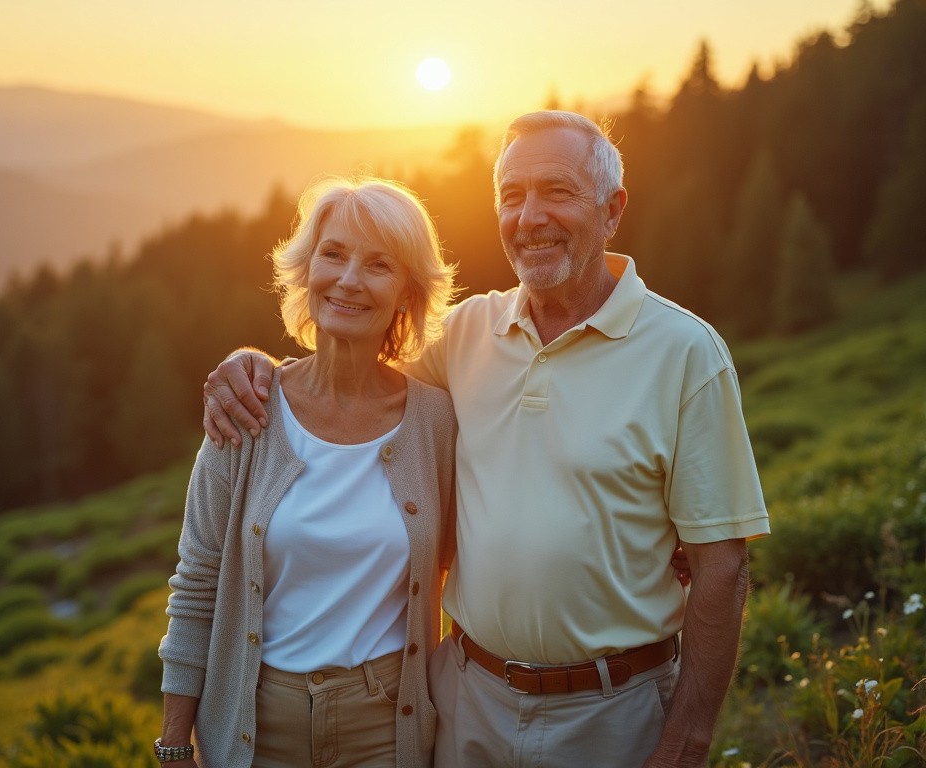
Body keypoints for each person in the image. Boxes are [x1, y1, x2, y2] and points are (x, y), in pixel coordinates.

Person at [202, 110, 770, 767]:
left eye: (557, 192)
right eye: (511, 196)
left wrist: (688, 740)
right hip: (466, 703)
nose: (529, 217)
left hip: (613, 714)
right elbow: (348, 383)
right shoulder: (466, 334)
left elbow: (722, 567)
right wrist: (256, 369)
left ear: (612, 211)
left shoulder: (686, 354)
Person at [157, 176, 459, 767]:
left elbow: (482, 546)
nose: (348, 280)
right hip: (255, 724)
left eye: (378, 265)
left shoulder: (436, 423)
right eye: (333, 254)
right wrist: (173, 745)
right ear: (307, 269)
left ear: (406, 293)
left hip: (387, 727)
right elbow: (197, 584)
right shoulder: (246, 408)